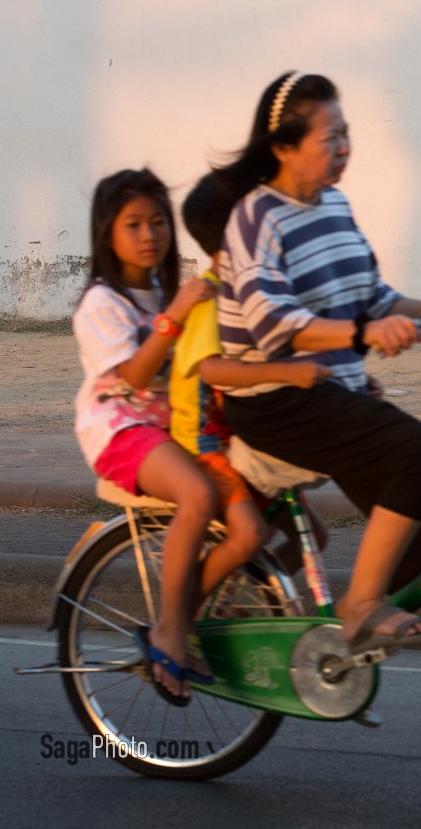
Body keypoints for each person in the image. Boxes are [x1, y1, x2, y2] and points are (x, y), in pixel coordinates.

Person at [204, 71, 421, 652]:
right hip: (273, 400)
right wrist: (366, 331)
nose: (343, 148)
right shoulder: (257, 217)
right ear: (283, 148)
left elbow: (377, 301)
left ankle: (335, 653)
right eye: (328, 137)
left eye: (346, 133)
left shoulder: (334, 204)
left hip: (328, 389)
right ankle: (359, 603)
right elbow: (274, 325)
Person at [72, 168, 219, 705]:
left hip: (171, 425)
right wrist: (175, 316)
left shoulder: (162, 290)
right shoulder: (101, 305)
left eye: (157, 221)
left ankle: (220, 611)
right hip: (120, 431)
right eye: (132, 224)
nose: (148, 234)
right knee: (198, 495)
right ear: (106, 233)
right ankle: (171, 631)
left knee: (271, 504)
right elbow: (133, 377)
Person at [173, 178, 331, 588]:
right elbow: (215, 371)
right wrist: (287, 373)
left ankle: (244, 603)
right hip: (209, 445)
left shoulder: (253, 290)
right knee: (248, 536)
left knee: (314, 537)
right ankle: (184, 613)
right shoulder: (212, 298)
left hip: (248, 436)